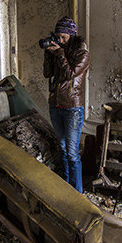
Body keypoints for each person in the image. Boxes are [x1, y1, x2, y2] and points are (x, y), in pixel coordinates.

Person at [43, 16, 90, 193]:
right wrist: (48, 54)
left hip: (72, 108)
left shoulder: (82, 54)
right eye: (58, 36)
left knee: (72, 152)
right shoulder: (57, 52)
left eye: (64, 37)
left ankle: (77, 193)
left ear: (72, 36)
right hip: (55, 105)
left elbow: (70, 73)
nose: (60, 40)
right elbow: (47, 74)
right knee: (62, 149)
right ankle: (66, 187)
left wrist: (59, 53)